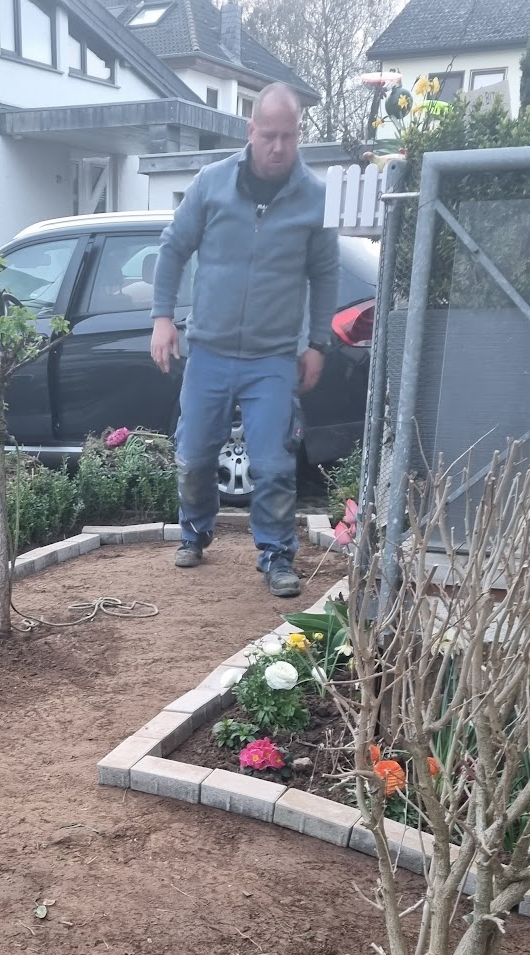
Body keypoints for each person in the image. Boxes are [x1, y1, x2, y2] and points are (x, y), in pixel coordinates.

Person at [150, 82, 341, 598]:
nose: (278, 147)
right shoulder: (211, 184)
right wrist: (162, 317)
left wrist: (317, 343)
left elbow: (325, 274)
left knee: (274, 464)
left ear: (299, 134)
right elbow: (173, 248)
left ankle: (276, 554)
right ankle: (194, 530)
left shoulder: (315, 198)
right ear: (251, 130)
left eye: (289, 136)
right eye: (269, 135)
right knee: (193, 457)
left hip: (272, 359)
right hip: (208, 352)